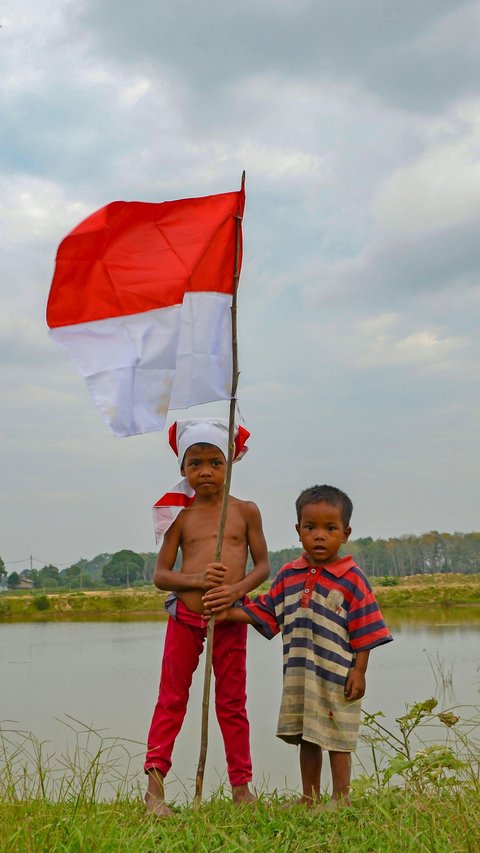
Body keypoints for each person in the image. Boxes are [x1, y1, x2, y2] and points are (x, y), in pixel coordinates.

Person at [204, 484, 393, 809]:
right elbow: (266, 610)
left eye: (330, 528)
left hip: (336, 676)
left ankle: (340, 798)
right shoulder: (289, 575)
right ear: (298, 531)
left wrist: (359, 672)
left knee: (336, 738)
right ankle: (309, 797)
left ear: (345, 533)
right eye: (311, 528)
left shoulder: (353, 578)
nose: (320, 536)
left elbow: (366, 628)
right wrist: (227, 612)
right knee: (307, 736)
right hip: (299, 677)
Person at [144, 418, 270, 817]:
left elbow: (262, 566)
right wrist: (198, 579)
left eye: (215, 462)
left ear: (230, 464)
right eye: (195, 463)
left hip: (229, 620)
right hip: (185, 618)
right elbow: (161, 576)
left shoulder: (245, 512)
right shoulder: (178, 515)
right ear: (183, 469)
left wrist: (235, 591)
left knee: (232, 704)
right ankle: (154, 794)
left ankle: (241, 788)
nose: (205, 472)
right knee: (172, 700)